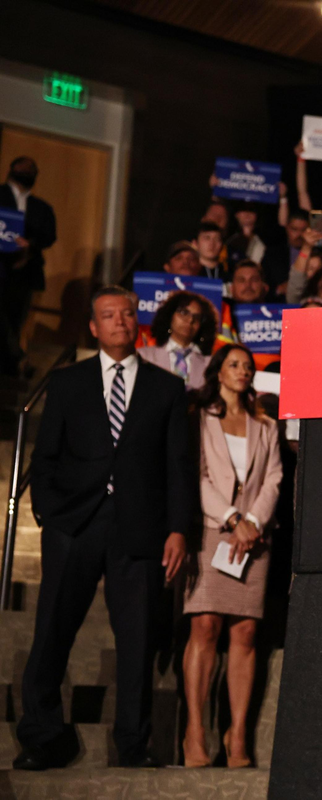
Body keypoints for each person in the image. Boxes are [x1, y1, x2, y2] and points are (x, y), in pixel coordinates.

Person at [15, 287, 190, 770]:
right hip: (74, 523)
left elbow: (178, 466)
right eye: (108, 315)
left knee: (136, 640)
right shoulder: (67, 381)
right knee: (52, 630)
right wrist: (50, 512)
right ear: (93, 327)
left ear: (139, 322)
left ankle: (133, 746)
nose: (119, 321)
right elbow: (44, 457)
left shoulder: (166, 388)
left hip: (140, 527)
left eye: (128, 313)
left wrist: (178, 529)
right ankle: (44, 738)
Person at [181, 344, 283, 769]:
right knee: (205, 624)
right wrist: (232, 517)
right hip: (213, 531)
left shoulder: (265, 423)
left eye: (247, 366)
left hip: (255, 539)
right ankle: (195, 730)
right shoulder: (200, 418)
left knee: (244, 633)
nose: (242, 371)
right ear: (217, 372)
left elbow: (275, 477)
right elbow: (198, 475)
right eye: (234, 364)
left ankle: (237, 734)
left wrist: (253, 522)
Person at [0, 157, 56, 375]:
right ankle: (18, 358)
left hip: (26, 272)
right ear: (12, 169)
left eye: (33, 168)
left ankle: (11, 368)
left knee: (16, 319)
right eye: (24, 167)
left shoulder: (42, 207)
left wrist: (29, 244)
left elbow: (49, 235)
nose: (28, 171)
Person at [139, 290, 217, 390]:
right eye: (184, 313)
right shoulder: (145, 357)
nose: (190, 320)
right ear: (169, 316)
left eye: (197, 317)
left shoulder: (210, 364)